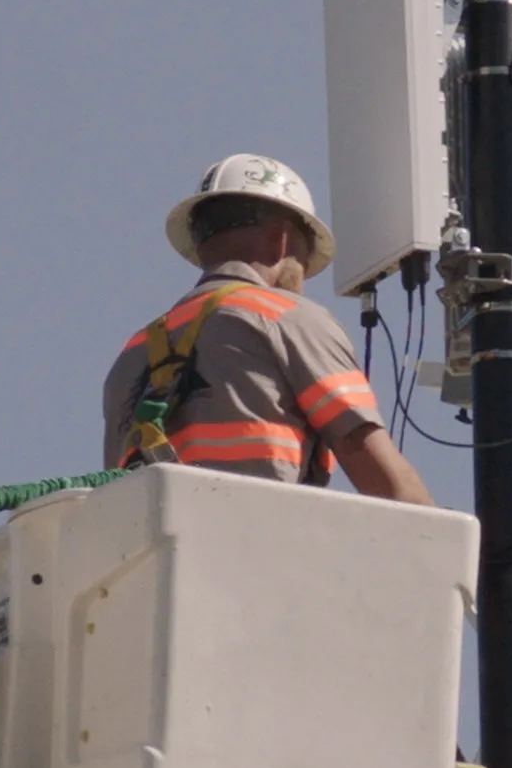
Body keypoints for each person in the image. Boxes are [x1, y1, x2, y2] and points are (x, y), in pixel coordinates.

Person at [102, 153, 432, 505]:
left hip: (158, 552)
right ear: (281, 239)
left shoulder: (134, 352)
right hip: (260, 539)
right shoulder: (286, 316)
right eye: (305, 261)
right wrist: (450, 546)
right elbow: (365, 452)